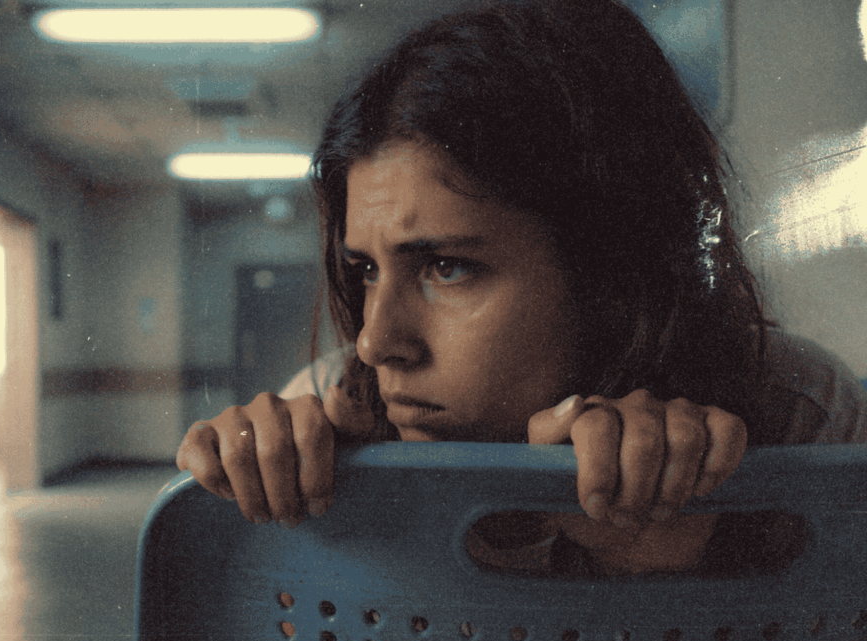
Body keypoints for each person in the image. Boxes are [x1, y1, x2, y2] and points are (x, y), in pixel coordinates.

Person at [178, 0, 867, 575]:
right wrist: (256, 508)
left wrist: (674, 573)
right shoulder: (327, 421)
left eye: (447, 266)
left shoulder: (802, 422)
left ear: (613, 265)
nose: (376, 340)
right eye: (366, 268)